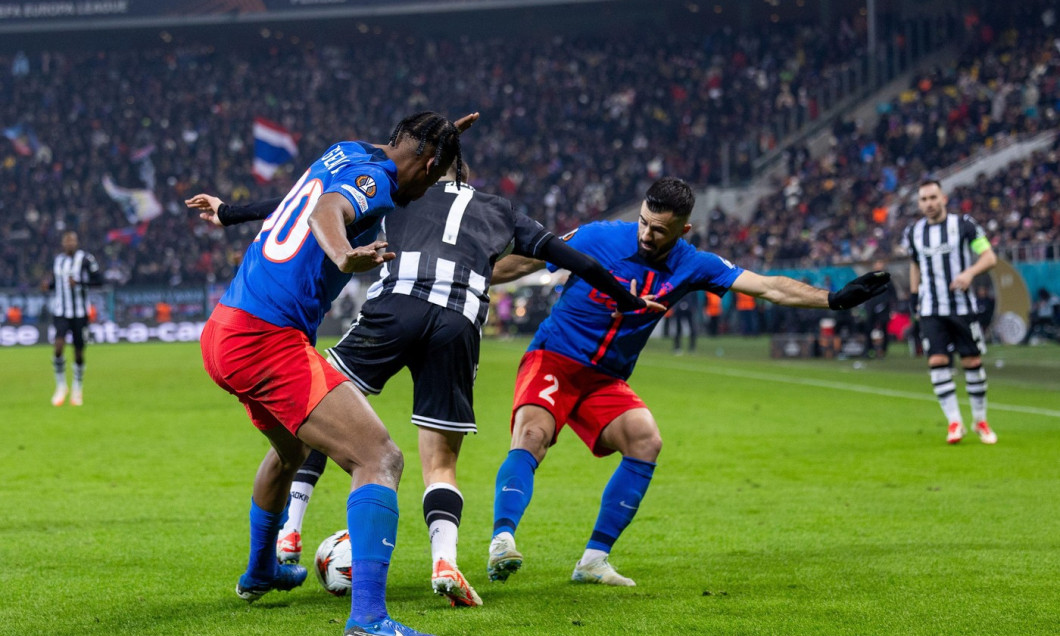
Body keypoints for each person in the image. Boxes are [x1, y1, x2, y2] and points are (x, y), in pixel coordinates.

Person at [190, 162, 662, 608]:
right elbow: (574, 259)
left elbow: (302, 201)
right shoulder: (501, 210)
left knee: (312, 409)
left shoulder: (401, 193)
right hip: (457, 321)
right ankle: (445, 563)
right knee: (441, 461)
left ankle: (289, 532)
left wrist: (229, 212)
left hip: (393, 307)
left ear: (429, 170)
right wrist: (628, 298)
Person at [486, 177, 890, 586]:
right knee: (533, 435)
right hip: (556, 357)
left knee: (645, 440)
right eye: (644, 222)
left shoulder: (693, 264)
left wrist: (833, 299)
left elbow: (768, 286)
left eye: (659, 229)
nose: (647, 234)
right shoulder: (596, 236)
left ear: (684, 230)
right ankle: (502, 539)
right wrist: (471, 278)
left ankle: (593, 560)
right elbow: (529, 260)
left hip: (605, 378)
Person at [191, 110, 476, 636]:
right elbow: (326, 209)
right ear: (428, 162)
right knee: (380, 458)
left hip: (225, 330)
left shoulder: (348, 150)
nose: (431, 185)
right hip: (264, 339)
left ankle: (260, 572)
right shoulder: (380, 181)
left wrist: (442, 136)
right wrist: (345, 257)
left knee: (292, 453)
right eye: (436, 173)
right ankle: (368, 618)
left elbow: (307, 196)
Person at [903, 179, 998, 445]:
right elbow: (915, 265)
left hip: (962, 307)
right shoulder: (914, 232)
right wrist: (914, 299)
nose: (928, 204)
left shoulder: (964, 225)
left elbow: (989, 257)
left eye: (933, 197)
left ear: (943, 198)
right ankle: (954, 422)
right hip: (931, 308)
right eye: (923, 200)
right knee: (936, 361)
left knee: (971, 362)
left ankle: (980, 420)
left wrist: (969, 273)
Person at [42, 230, 101, 406]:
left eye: (73, 240)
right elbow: (56, 283)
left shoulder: (86, 259)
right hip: (61, 311)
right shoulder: (58, 260)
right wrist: (48, 286)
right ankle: (61, 386)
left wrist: (80, 284)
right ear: (63, 243)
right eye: (67, 241)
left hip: (80, 313)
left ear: (77, 242)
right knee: (58, 347)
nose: (70, 243)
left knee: (78, 352)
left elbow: (99, 281)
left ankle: (77, 387)